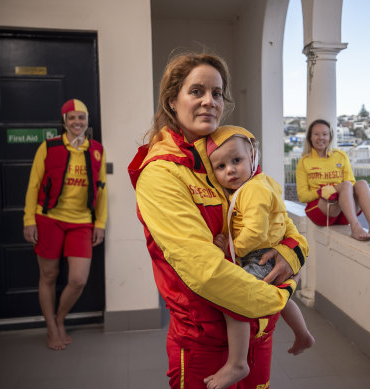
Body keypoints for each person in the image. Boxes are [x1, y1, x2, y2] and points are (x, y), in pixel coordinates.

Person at [127, 53, 309, 389]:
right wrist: (278, 298)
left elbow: (279, 221)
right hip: (206, 339)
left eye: (217, 93)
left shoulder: (224, 155)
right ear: (172, 100)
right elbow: (205, 271)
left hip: (256, 329)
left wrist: (291, 252)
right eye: (196, 91)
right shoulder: (162, 172)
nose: (209, 101)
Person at [204, 125, 315, 389]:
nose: (230, 170)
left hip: (258, 255)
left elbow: (255, 232)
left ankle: (238, 363)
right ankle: (303, 334)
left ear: (253, 157)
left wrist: (230, 249)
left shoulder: (253, 189)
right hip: (261, 253)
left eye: (236, 161)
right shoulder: (253, 185)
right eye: (220, 167)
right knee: (281, 298)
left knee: (236, 299)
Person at [23, 98, 107, 351]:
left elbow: (102, 190)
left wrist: (100, 223)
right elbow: (33, 185)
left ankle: (60, 319)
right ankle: (52, 328)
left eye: (81, 117)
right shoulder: (48, 147)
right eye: (72, 118)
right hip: (48, 219)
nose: (77, 122)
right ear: (64, 122)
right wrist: (29, 220)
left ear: (87, 120)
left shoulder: (96, 150)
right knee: (48, 275)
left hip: (82, 222)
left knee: (78, 279)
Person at [296, 119, 370, 241]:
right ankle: (355, 227)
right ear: (310, 137)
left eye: (324, 134)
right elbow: (302, 196)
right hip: (322, 211)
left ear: (330, 137)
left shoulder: (340, 156)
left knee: (362, 184)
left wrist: (338, 189)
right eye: (316, 134)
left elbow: (351, 182)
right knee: (345, 185)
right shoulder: (304, 162)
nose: (321, 138)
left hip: (344, 210)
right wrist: (325, 191)